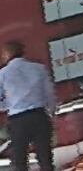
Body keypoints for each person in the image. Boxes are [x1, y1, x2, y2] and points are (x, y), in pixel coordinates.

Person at [0, 41, 56, 171]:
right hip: (39, 115)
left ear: (7, 54)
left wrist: (8, 105)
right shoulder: (39, 68)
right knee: (45, 158)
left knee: (20, 160)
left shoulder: (3, 74)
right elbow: (49, 93)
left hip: (18, 119)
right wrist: (52, 111)